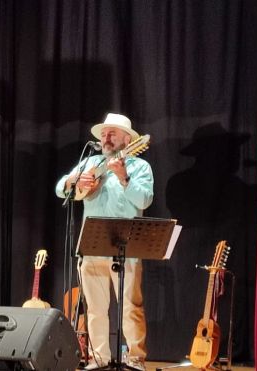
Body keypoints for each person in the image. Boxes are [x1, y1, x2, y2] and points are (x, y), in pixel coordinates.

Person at [55, 113, 153, 370]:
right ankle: (99, 358)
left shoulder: (139, 167)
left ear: (127, 140)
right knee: (95, 308)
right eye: (103, 133)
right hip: (91, 244)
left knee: (130, 306)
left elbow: (144, 200)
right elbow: (60, 189)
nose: (105, 138)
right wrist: (73, 181)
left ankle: (135, 358)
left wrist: (124, 178)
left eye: (111, 133)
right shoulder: (91, 162)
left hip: (126, 246)